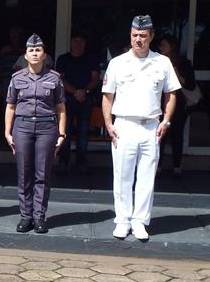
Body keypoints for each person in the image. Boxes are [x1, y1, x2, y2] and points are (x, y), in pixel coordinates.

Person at [101, 15, 179, 242]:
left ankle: (140, 221)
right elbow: (107, 97)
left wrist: (167, 120)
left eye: (143, 36)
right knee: (122, 175)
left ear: (151, 37)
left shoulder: (162, 62)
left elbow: (171, 94)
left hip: (151, 127)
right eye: (135, 35)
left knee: (147, 177)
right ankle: (123, 220)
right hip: (124, 124)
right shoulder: (117, 63)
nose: (138, 40)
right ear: (130, 35)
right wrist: (108, 123)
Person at [4, 34, 66, 234]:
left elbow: (61, 108)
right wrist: (7, 131)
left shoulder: (54, 78)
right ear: (25, 55)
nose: (35, 53)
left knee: (42, 173)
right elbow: (10, 106)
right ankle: (25, 216)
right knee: (24, 173)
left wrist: (62, 134)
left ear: (44, 54)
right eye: (31, 50)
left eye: (38, 50)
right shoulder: (17, 78)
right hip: (22, 127)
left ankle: (39, 216)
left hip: (46, 128)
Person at [55, 32, 100, 175]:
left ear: (85, 43)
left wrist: (84, 91)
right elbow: (60, 79)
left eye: (81, 40)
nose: (78, 43)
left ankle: (81, 162)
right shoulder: (63, 59)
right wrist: (75, 92)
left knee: (83, 132)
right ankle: (63, 161)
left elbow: (95, 78)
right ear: (70, 42)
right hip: (67, 100)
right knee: (65, 131)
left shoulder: (91, 58)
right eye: (75, 40)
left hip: (85, 99)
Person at [156, 33, 196, 178]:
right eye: (160, 45)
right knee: (160, 136)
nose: (161, 48)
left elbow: (189, 85)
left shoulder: (184, 63)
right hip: (158, 104)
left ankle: (177, 166)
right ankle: (158, 165)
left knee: (177, 135)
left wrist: (174, 69)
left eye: (164, 45)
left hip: (179, 105)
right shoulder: (155, 62)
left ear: (172, 47)